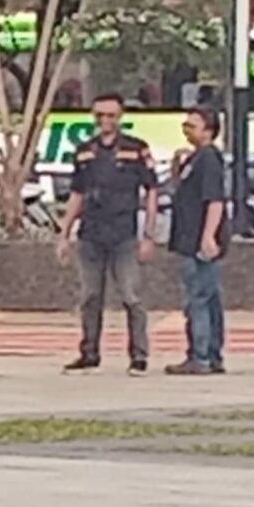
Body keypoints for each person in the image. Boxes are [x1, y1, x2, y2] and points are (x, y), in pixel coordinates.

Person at [56, 93, 159, 374]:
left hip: (123, 233)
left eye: (111, 115)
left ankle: (138, 356)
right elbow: (77, 194)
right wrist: (64, 234)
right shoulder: (84, 151)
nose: (105, 120)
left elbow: (151, 190)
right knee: (90, 297)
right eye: (99, 115)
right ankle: (89, 353)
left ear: (120, 116)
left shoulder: (136, 149)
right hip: (91, 233)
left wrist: (149, 234)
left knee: (131, 295)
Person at [166, 107, 230, 376]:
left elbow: (214, 200)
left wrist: (208, 236)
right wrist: (176, 167)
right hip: (188, 237)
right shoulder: (195, 158)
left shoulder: (209, 159)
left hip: (197, 240)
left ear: (208, 130)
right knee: (208, 296)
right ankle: (211, 354)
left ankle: (200, 355)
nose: (186, 130)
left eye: (192, 125)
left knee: (198, 299)